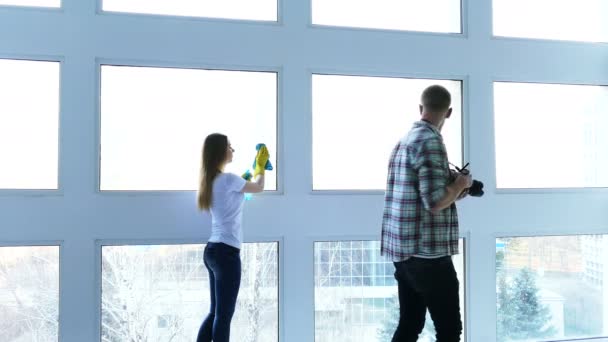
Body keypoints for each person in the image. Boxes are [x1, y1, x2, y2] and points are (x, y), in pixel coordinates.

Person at [380, 85, 473, 342]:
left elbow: (422, 193)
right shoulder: (431, 142)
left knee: (410, 324)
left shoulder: (404, 141)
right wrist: (460, 184)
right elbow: (435, 202)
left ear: (421, 108)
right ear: (449, 112)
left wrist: (457, 186)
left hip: (404, 252)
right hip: (428, 256)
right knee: (449, 330)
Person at [196, 133, 269, 342]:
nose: (232, 149)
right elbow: (260, 187)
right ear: (220, 151)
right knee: (224, 316)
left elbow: (234, 195)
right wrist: (261, 166)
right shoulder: (228, 179)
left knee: (215, 313)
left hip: (212, 251)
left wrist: (246, 178)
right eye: (229, 146)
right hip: (227, 254)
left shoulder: (211, 181)